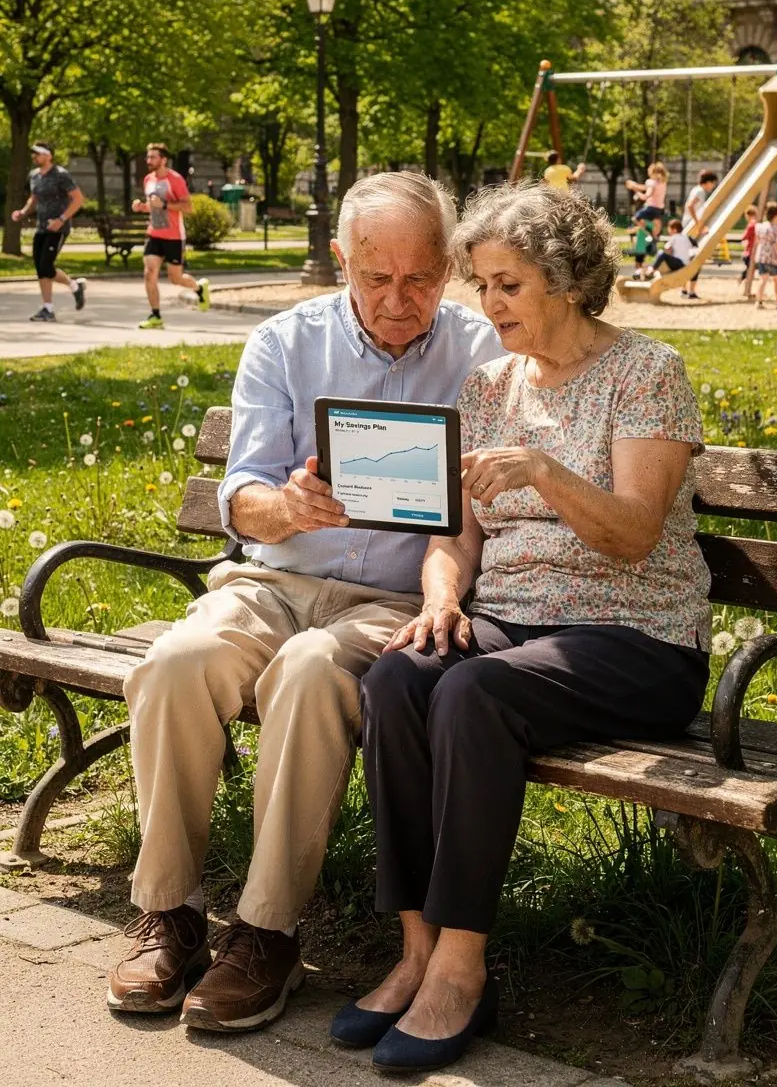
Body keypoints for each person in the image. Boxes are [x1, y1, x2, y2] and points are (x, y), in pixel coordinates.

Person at [108, 171, 502, 1032]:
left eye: (421, 278)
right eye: (375, 278)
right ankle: (169, 914)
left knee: (312, 672)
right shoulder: (286, 343)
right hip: (271, 578)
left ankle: (266, 932)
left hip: (391, 595)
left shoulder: (482, 354)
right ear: (341, 261)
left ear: (448, 269)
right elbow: (240, 494)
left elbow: (486, 512)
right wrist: (285, 506)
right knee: (175, 663)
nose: (399, 302)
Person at [331, 182, 710, 1073]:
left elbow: (634, 535)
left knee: (473, 689)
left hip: (637, 635)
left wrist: (543, 471)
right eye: (482, 284)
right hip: (515, 626)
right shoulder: (489, 386)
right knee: (399, 673)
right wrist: (441, 601)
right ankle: (417, 948)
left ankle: (464, 966)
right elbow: (452, 537)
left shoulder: (645, 371)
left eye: (509, 285)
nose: (487, 304)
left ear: (568, 282)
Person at [132, 142, 210, 329]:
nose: (148, 160)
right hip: (154, 234)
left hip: (174, 236)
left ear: (163, 159)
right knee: (149, 273)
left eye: (153, 157)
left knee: (176, 278)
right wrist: (142, 207)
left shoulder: (175, 180)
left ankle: (199, 288)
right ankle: (155, 315)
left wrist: (165, 205)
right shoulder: (148, 179)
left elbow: (188, 207)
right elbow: (153, 205)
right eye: (148, 157)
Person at [11, 142, 86, 321]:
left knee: (46, 265)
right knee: (41, 269)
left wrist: (61, 220)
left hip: (58, 228)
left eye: (38, 153)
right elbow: (34, 198)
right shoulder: (34, 176)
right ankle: (48, 308)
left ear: (49, 156)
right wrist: (23, 212)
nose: (34, 157)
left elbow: (78, 199)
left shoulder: (61, 175)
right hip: (42, 227)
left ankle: (73, 286)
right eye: (33, 154)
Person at [680, 170, 718, 300]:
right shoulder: (700, 191)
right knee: (695, 258)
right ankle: (690, 291)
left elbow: (688, 205)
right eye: (713, 184)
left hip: (686, 225)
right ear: (708, 182)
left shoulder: (695, 189)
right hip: (690, 227)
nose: (712, 187)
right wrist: (697, 224)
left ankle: (684, 289)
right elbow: (690, 206)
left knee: (686, 257)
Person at [625, 161, 668, 240]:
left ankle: (648, 232)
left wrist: (635, 190)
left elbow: (645, 196)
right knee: (654, 225)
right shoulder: (662, 183)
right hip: (658, 209)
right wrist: (634, 185)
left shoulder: (652, 183)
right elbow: (645, 187)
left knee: (635, 219)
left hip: (651, 208)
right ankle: (652, 236)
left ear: (653, 173)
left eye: (649, 172)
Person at [740, 206, 758, 284]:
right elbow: (745, 237)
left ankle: (743, 281)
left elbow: (744, 236)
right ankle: (743, 281)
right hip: (751, 252)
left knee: (750, 270)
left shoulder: (751, 224)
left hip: (749, 251)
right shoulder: (754, 224)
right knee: (750, 270)